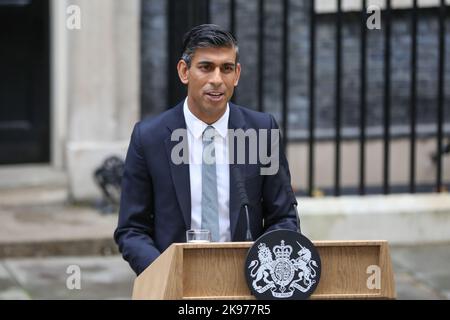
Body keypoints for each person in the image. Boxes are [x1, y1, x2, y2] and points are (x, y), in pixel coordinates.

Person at [114, 24, 298, 275]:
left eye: (226, 68)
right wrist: (164, 275)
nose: (217, 80)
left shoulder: (262, 131)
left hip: (245, 283)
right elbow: (132, 229)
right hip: (174, 281)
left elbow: (284, 217)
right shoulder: (149, 138)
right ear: (184, 71)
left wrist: (260, 270)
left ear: (237, 74)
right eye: (206, 67)